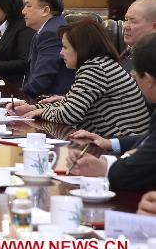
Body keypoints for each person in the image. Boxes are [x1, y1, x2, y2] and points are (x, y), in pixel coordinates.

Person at [11, 20, 150, 138]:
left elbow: (70, 114)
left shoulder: (95, 68)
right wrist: (32, 108)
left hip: (121, 144)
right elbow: (71, 104)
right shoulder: (99, 64)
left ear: (81, 48)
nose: (61, 53)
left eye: (65, 47)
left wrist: (39, 111)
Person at [62, 34, 156, 191]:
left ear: (148, 79)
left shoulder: (95, 68)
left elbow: (140, 167)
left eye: (135, 76)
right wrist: (110, 143)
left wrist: (103, 168)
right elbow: (149, 139)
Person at [21, 0, 75, 98]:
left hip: (51, 100)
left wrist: (18, 96)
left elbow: (42, 78)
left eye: (28, 6)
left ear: (45, 10)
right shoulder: (50, 27)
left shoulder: (51, 33)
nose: (23, 12)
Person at [120, 0, 156, 74]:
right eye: (126, 20)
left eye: (133, 21)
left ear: (154, 27)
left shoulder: (151, 62)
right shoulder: (128, 53)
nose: (125, 26)